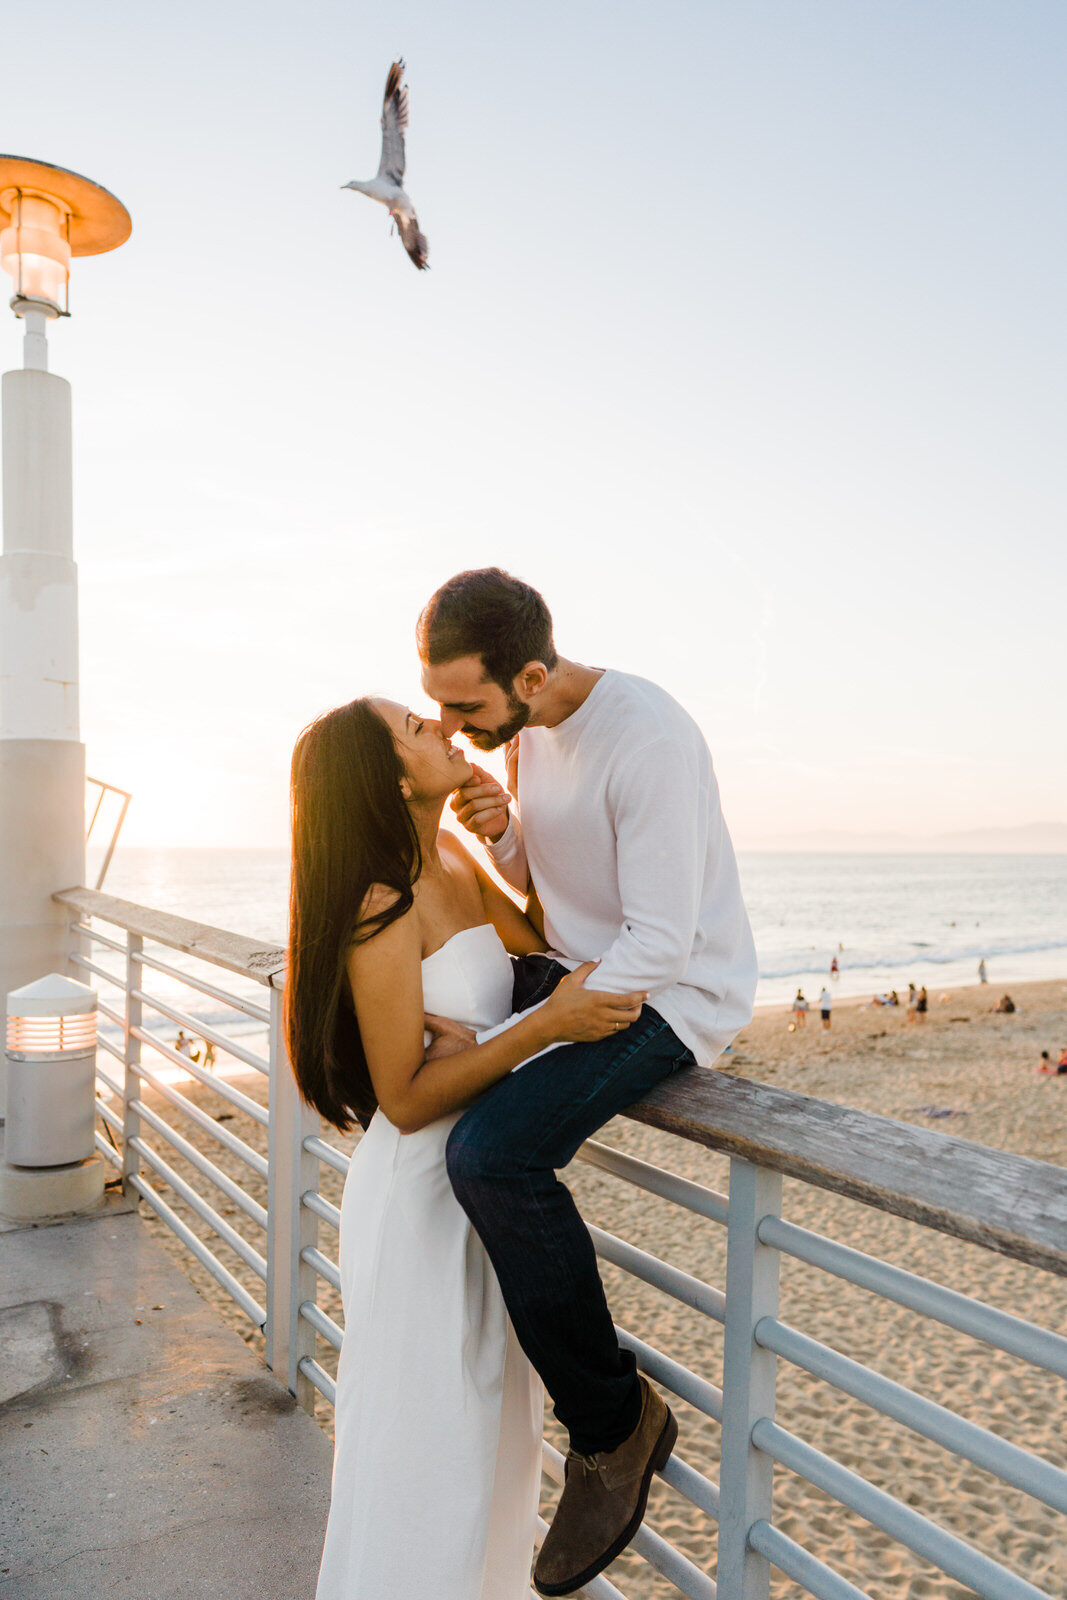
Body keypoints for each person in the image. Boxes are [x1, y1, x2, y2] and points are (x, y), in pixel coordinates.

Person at [419, 568, 757, 1595]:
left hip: (668, 996)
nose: (447, 723)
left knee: (491, 1154)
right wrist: (502, 830)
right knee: (424, 1098)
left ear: (529, 672)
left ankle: (612, 1427)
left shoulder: (643, 735)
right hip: (571, 975)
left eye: (464, 705)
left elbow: (658, 937)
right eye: (435, 701)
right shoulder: (520, 732)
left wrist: (546, 1021)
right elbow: (558, 880)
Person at [287, 698, 648, 1600]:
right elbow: (404, 1101)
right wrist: (539, 1031)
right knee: (427, 1449)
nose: (441, 730)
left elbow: (549, 956)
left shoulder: (447, 853)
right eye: (416, 729)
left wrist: (505, 837)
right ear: (394, 779)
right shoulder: (378, 902)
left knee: (494, 1434)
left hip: (483, 1179)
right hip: (418, 1199)